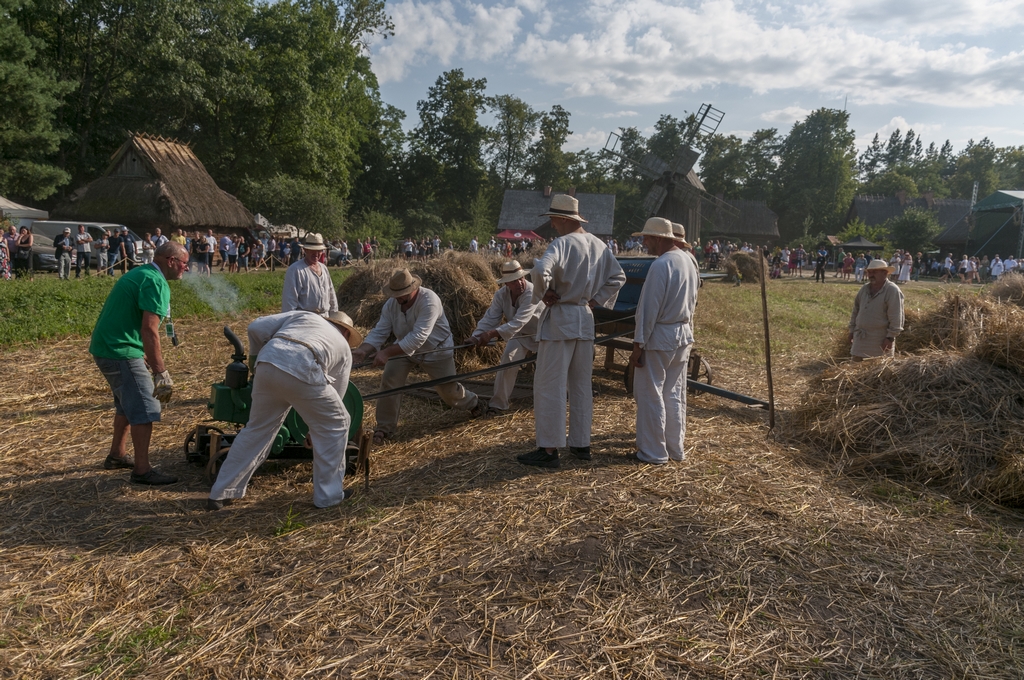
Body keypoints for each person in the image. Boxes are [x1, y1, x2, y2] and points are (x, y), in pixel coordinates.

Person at [207, 310, 362, 510]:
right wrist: (313, 430)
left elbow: (254, 327)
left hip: (267, 362)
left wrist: (254, 358)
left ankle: (221, 492)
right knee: (338, 423)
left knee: (257, 429)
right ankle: (329, 497)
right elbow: (336, 395)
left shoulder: (305, 316)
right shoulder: (344, 348)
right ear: (347, 333)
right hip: (303, 365)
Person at [517, 194, 625, 468]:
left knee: (550, 385)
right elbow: (618, 277)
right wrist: (595, 300)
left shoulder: (561, 244)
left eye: (553, 220)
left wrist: (544, 293)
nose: (552, 225)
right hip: (584, 318)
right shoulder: (599, 245)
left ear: (563, 219)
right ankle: (581, 443)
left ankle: (549, 448)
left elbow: (540, 270)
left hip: (561, 317)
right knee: (581, 384)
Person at [90, 242, 189, 485]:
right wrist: (160, 371)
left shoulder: (141, 273)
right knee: (146, 408)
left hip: (108, 347)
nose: (186, 268)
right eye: (184, 263)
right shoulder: (155, 282)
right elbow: (149, 330)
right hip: (120, 350)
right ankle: (142, 471)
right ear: (171, 261)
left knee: (127, 405)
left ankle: (117, 455)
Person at [352, 269, 484, 444]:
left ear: (413, 289)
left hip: (436, 350)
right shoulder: (391, 305)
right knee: (390, 380)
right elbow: (380, 331)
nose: (397, 298)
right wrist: (363, 350)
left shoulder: (429, 301)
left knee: (448, 391)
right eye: (395, 294)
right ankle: (384, 428)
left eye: (401, 294)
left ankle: (474, 403)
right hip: (403, 349)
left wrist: (386, 352)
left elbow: (418, 337)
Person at [629, 218, 699, 465]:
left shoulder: (661, 265)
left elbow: (648, 310)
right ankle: (674, 448)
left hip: (661, 337)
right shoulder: (688, 261)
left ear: (658, 239)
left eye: (647, 238)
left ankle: (653, 452)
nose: (644, 242)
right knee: (673, 393)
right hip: (682, 334)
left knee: (650, 393)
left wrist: (637, 346)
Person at [466, 260, 541, 414]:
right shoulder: (501, 295)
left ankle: (563, 395)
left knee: (549, 369)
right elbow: (490, 319)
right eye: (514, 281)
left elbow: (518, 321)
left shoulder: (531, 292)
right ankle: (498, 405)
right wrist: (475, 337)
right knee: (508, 360)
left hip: (543, 334)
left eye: (521, 278)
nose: (519, 283)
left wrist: (491, 334)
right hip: (521, 335)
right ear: (506, 283)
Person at [849, 259, 904, 360]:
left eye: (874, 272)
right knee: (855, 366)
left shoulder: (892, 290)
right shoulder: (864, 289)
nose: (871, 275)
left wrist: (890, 338)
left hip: (880, 341)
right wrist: (851, 330)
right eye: (869, 272)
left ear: (885, 273)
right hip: (860, 340)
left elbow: (896, 316)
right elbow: (855, 311)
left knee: (876, 368)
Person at [282, 233, 337, 316]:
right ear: (305, 250)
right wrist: (290, 320)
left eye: (319, 251)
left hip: (325, 318)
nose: (316, 254)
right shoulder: (296, 270)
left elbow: (331, 294)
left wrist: (334, 315)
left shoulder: (324, 268)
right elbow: (289, 302)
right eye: (313, 250)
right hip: (305, 319)